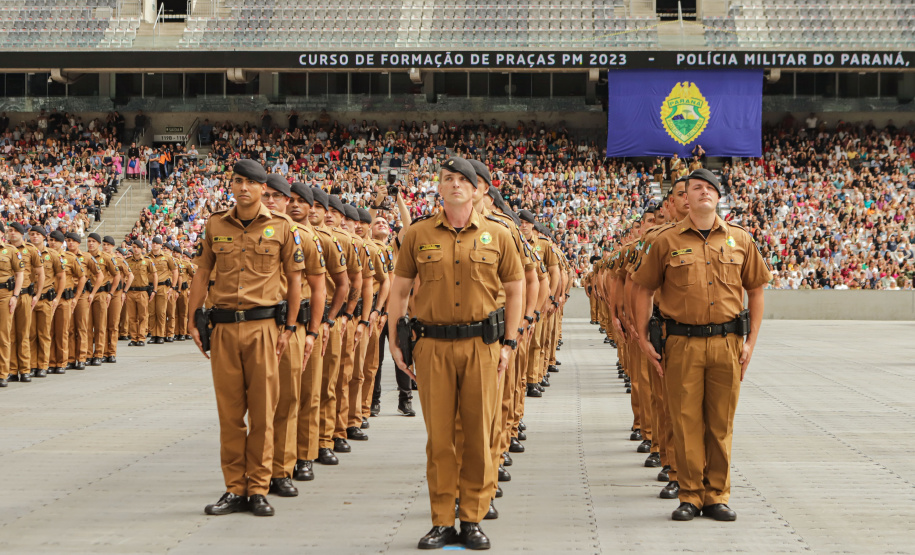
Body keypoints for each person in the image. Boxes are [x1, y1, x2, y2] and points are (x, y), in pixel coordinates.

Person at [388, 157, 523, 550]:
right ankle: (442, 520)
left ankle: (473, 518)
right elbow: (398, 291)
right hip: (432, 346)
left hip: (482, 345)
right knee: (440, 438)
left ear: (480, 189)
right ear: (439, 188)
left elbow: (515, 290)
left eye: (464, 179)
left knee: (480, 435)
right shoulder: (418, 234)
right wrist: (397, 341)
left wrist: (510, 343)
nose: (456, 184)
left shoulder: (499, 235)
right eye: (448, 179)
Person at [632, 168, 771, 522]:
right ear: (686, 197)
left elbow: (756, 289)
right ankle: (690, 494)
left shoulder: (740, 239)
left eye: (711, 188)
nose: (704, 192)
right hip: (681, 343)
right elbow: (644, 288)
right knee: (685, 421)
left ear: (719, 197)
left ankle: (717, 495)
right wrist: (645, 335)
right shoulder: (665, 241)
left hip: (727, 342)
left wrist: (751, 341)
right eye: (697, 188)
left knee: (720, 423)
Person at [187, 159, 305, 518]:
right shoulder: (215, 224)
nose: (242, 188)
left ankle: (258, 487)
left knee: (264, 412)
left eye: (250, 183)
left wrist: (290, 328)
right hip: (223, 328)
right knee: (230, 413)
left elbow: (295, 280)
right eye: (237, 181)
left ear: (261, 189)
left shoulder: (282, 227)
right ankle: (234, 488)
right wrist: (192, 318)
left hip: (263, 327)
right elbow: (203, 272)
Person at [259, 175, 326, 498]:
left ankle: (289, 463)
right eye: (266, 195)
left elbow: (320, 288)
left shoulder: (305, 237)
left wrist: (314, 329)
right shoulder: (244, 231)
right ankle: (258, 469)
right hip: (255, 326)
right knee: (258, 404)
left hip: (292, 325)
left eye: (278, 196)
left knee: (292, 398)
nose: (271, 201)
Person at [290, 183, 348, 484]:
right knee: (284, 397)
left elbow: (343, 284)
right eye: (294, 201)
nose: (305, 209)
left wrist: (327, 321)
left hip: (315, 321)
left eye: (309, 204)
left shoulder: (322, 240)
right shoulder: (277, 233)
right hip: (282, 323)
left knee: (319, 388)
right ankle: (283, 457)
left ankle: (314, 446)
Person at [7, 222, 43, 382]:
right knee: (10, 334)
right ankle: (12, 369)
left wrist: (37, 294)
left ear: (22, 234)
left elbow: (40, 273)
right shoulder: (6, 250)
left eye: (15, 231)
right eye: (10, 230)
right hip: (8, 295)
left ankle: (25, 369)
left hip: (25, 295)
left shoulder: (31, 250)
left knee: (24, 333)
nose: (12, 233)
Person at [28, 226, 64, 378]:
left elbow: (61, 276)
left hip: (45, 299)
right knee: (30, 334)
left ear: (44, 237)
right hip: (29, 299)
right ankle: (31, 364)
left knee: (44, 334)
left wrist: (57, 298)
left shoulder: (52, 255)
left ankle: (43, 365)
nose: (35, 237)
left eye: (38, 234)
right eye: (32, 234)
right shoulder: (25, 253)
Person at [67, 232, 100, 371]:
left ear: (78, 243)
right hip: (68, 294)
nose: (70, 243)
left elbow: (100, 275)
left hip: (82, 295)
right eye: (68, 241)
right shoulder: (64, 257)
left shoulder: (86, 257)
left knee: (81, 327)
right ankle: (70, 358)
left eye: (73, 241)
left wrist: (92, 293)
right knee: (69, 328)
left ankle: (81, 357)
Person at [86, 233, 120, 366]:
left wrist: (111, 293)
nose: (91, 244)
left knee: (100, 325)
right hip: (87, 293)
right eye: (89, 241)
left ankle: (99, 353)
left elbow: (116, 276)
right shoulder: (84, 257)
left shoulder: (106, 258)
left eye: (94, 241)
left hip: (100, 293)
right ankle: (88, 353)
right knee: (88, 326)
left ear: (98, 244)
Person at [0, 222, 25, 388]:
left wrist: (15, 295)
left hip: (4, 295)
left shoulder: (11, 251)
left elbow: (19, 274)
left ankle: (3, 373)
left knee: (3, 335)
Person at [104, 242, 132, 363]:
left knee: (113, 324)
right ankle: (103, 351)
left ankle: (112, 352)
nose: (105, 247)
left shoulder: (119, 260)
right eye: (104, 244)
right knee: (102, 325)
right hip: (103, 292)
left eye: (108, 245)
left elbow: (130, 276)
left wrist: (124, 291)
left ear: (112, 247)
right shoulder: (98, 258)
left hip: (116, 293)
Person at [126, 240, 156, 347]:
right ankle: (134, 338)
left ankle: (142, 337)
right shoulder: (128, 261)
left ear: (142, 249)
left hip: (143, 291)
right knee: (132, 316)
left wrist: (154, 290)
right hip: (130, 291)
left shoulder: (147, 261)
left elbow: (154, 274)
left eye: (138, 247)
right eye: (134, 247)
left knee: (143, 316)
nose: (135, 249)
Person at [148, 237, 178, 344]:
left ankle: (160, 334)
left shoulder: (167, 257)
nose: (155, 245)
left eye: (157, 243)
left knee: (161, 312)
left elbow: (175, 271)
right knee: (152, 312)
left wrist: (173, 287)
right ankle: (153, 334)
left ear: (161, 245)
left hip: (162, 286)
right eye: (153, 243)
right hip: (151, 287)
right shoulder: (147, 257)